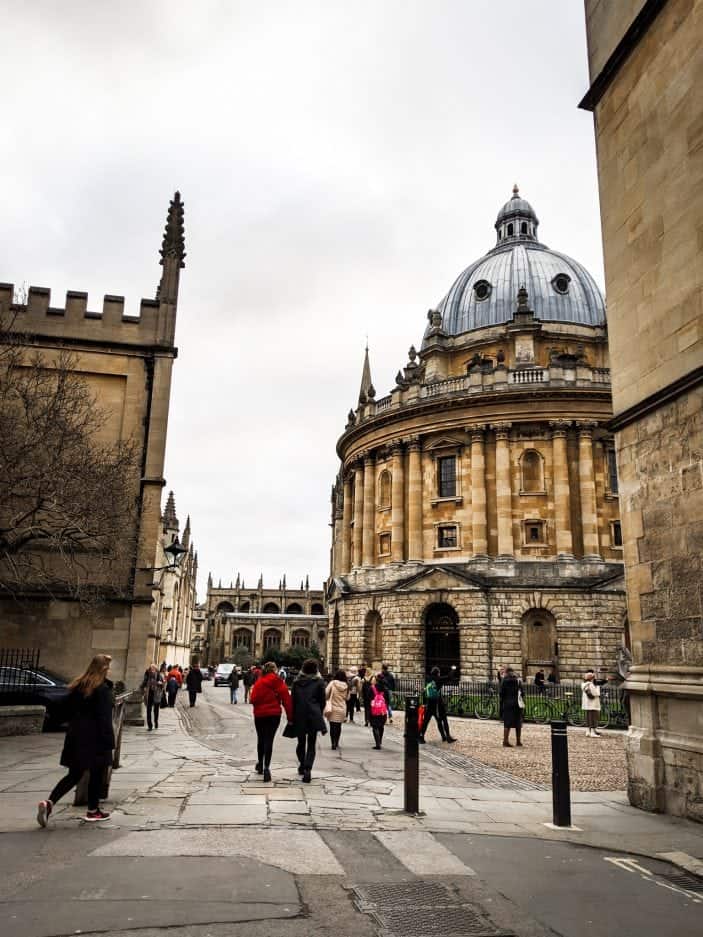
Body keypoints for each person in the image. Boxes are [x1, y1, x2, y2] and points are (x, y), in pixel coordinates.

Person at [36, 654, 115, 826]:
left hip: (76, 736)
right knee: (96, 773)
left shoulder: (79, 685)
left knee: (74, 774)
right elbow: (104, 718)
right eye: (108, 667)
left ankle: (49, 803)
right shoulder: (101, 689)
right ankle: (93, 811)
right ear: (103, 669)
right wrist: (109, 741)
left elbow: (65, 710)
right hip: (95, 738)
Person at [249, 661, 292, 782]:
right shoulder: (278, 682)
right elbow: (287, 700)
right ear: (274, 670)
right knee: (269, 740)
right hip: (274, 715)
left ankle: (260, 765)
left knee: (261, 739)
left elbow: (253, 699)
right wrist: (290, 718)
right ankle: (267, 767)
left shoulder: (260, 682)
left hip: (260, 715)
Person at [291, 658, 326, 783]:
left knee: (301, 743)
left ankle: (302, 763)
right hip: (313, 715)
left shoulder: (296, 682)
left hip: (300, 714)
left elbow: (293, 701)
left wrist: (292, 715)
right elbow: (322, 701)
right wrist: (319, 712)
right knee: (311, 743)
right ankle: (308, 769)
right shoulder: (319, 682)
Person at [419, 667, 455, 743]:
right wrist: (453, 669)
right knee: (443, 720)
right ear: (438, 673)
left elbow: (425, 691)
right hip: (437, 704)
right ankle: (447, 736)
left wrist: (424, 703)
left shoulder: (428, 679)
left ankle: (421, 737)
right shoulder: (438, 679)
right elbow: (449, 677)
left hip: (429, 703)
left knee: (426, 721)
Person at [499, 666, 523, 747]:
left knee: (507, 723)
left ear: (507, 672)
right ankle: (518, 741)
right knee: (518, 723)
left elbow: (501, 693)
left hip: (507, 703)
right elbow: (522, 693)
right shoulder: (518, 680)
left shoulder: (504, 680)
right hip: (517, 704)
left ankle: (505, 741)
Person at [325, 669, 349, 750]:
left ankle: (333, 743)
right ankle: (337, 742)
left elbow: (326, 693)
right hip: (342, 708)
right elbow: (347, 697)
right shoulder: (346, 685)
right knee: (338, 726)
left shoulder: (332, 683)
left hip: (332, 707)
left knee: (332, 726)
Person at [367, 674, 390, 749]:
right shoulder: (385, 689)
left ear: (376, 680)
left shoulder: (372, 688)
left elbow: (368, 699)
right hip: (382, 710)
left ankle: (377, 744)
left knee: (375, 726)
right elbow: (388, 701)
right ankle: (380, 741)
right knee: (381, 726)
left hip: (374, 710)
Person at [141, 663, 165, 730]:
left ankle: (156, 722)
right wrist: (142, 687)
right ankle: (150, 726)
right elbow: (144, 682)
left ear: (156, 669)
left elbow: (163, 684)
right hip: (149, 694)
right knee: (148, 710)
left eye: (153, 669)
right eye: (151, 669)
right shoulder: (147, 674)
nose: (152, 670)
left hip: (156, 694)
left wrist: (160, 683)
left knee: (156, 710)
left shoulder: (159, 675)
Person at [582, 669, 602, 737]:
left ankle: (588, 731)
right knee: (594, 717)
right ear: (592, 678)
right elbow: (596, 693)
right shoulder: (591, 684)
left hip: (587, 704)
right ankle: (593, 732)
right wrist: (598, 687)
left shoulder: (584, 684)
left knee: (588, 717)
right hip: (593, 704)